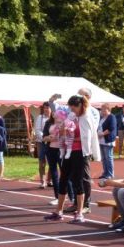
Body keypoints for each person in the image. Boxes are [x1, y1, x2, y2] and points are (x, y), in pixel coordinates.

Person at [43, 95, 100, 224]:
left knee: (78, 182)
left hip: (80, 153)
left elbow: (87, 138)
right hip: (68, 152)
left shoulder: (86, 118)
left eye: (73, 107)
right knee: (63, 180)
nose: (71, 110)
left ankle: (80, 213)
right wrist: (63, 131)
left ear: (80, 106)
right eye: (70, 107)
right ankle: (59, 212)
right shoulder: (71, 116)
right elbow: (63, 133)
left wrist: (71, 138)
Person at [97, 103, 118, 179]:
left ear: (108, 109)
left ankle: (110, 174)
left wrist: (102, 134)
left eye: (103, 109)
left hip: (108, 140)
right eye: (101, 109)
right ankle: (105, 173)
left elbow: (111, 128)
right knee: (103, 158)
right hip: (101, 140)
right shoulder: (102, 118)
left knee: (108, 157)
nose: (102, 111)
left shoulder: (111, 117)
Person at [34, 102, 52, 188]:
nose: (46, 109)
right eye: (45, 108)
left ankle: (49, 180)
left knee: (52, 162)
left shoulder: (54, 118)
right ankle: (42, 181)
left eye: (48, 108)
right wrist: (45, 138)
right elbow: (37, 130)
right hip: (41, 142)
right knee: (42, 162)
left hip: (52, 143)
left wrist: (50, 139)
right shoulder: (39, 118)